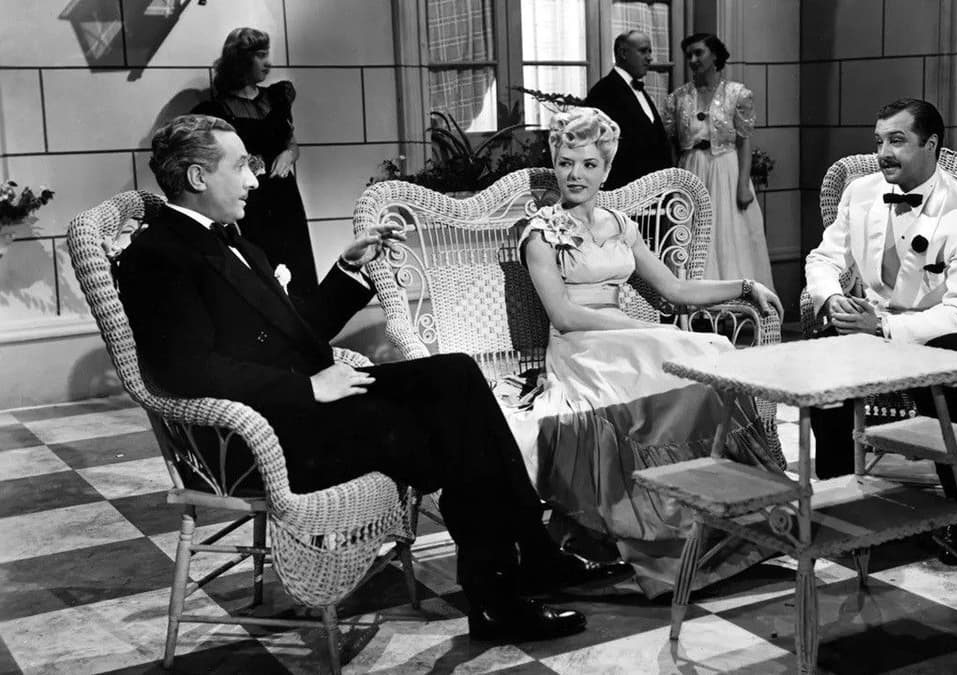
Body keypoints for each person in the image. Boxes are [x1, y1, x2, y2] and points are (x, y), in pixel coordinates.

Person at [117, 114, 632, 643]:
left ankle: (530, 562)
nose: (255, 178)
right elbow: (184, 370)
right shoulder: (156, 256)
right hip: (262, 432)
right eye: (241, 166)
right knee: (457, 432)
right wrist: (307, 388)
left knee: (455, 375)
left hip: (310, 404)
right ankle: (503, 592)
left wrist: (350, 269)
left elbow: (300, 329)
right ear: (198, 177)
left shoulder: (238, 243)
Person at [512, 107, 785, 598]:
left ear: (606, 169)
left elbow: (674, 290)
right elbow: (564, 315)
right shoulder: (541, 232)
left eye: (589, 165)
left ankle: (721, 520)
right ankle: (665, 541)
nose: (576, 175)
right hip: (581, 350)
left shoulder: (620, 224)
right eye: (566, 163)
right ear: (554, 164)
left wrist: (744, 286)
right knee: (673, 352)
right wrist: (637, 327)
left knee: (711, 353)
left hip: (627, 341)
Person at [804, 98, 957, 566]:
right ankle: (841, 505)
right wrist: (832, 299)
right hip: (874, 323)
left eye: (897, 140)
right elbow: (823, 259)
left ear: (931, 145)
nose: (883, 153)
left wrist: (885, 327)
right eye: (879, 141)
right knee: (824, 360)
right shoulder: (861, 192)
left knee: (952, 365)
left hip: (940, 327)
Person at [193, 27, 318, 296]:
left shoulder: (278, 97)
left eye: (267, 54)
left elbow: (292, 144)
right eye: (260, 55)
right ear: (241, 60)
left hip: (284, 197)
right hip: (250, 200)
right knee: (262, 269)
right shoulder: (216, 110)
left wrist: (289, 155)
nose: (267, 62)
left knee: (297, 268)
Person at [663, 33, 775, 291]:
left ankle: (737, 296)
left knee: (730, 233)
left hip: (726, 169)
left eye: (698, 53)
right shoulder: (678, 98)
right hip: (692, 169)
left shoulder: (736, 94)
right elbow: (672, 144)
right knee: (693, 232)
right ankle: (695, 298)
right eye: (689, 55)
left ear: (714, 55)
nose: (693, 60)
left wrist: (743, 184)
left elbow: (744, 141)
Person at [584, 30, 673, 190]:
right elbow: (600, 148)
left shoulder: (639, 90)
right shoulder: (603, 91)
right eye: (643, 51)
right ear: (623, 53)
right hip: (625, 192)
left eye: (650, 51)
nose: (649, 58)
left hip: (655, 191)